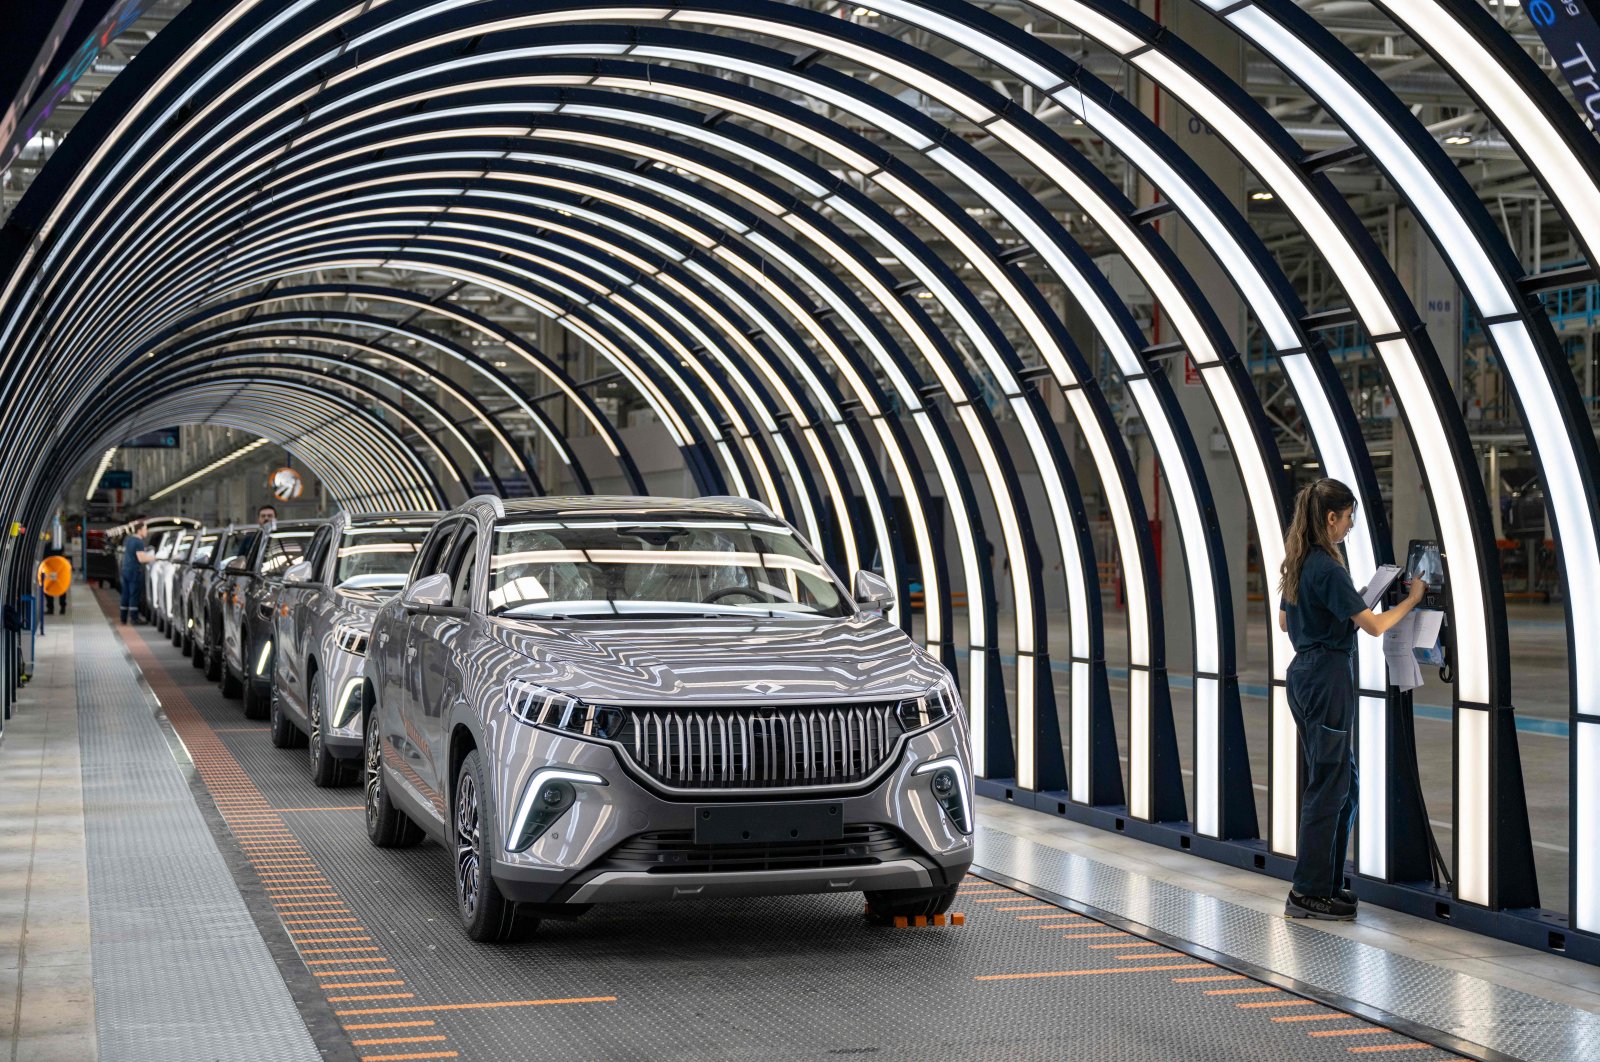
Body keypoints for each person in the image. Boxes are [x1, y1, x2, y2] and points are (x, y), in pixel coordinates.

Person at [1277, 478, 1426, 921]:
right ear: (1330, 518)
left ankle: (1328, 882)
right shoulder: (1325, 565)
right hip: (1327, 678)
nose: (1349, 527)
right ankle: (1307, 892)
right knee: (1328, 785)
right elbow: (1375, 627)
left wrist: (1337, 608)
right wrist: (1414, 599)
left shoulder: (1298, 563)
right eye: (1347, 519)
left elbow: (1286, 623)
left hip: (1305, 674)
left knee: (1343, 781)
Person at [119, 519, 154, 624]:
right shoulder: (138, 542)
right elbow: (141, 559)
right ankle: (134, 618)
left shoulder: (129, 540)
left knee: (125, 594)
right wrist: (154, 557)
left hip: (125, 569)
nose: (146, 532)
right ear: (139, 530)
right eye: (145, 529)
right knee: (134, 594)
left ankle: (123, 617)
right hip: (134, 571)